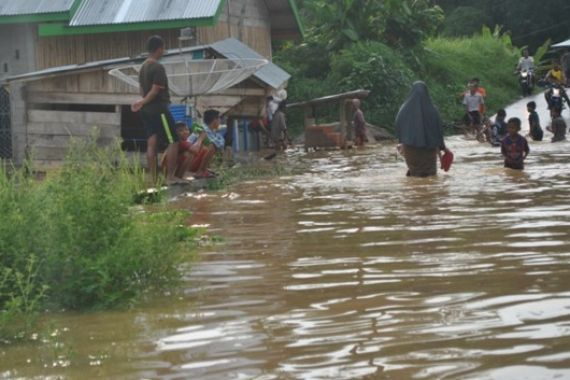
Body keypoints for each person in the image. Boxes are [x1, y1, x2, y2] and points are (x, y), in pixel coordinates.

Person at [131, 35, 183, 185]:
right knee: (173, 140)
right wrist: (143, 101)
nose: (163, 51)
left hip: (146, 111)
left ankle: (153, 180)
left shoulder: (143, 67)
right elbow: (154, 91)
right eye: (163, 48)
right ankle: (170, 177)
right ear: (160, 48)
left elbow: (142, 89)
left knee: (151, 143)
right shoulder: (158, 67)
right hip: (159, 109)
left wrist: (142, 102)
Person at [396, 81, 450, 177]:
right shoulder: (433, 110)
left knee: (415, 172)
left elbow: (399, 126)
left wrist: (403, 141)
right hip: (429, 149)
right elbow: (438, 131)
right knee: (430, 174)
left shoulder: (403, 109)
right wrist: (443, 148)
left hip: (410, 148)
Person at [188, 109, 225, 178]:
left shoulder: (212, 132)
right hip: (189, 161)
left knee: (213, 145)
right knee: (212, 145)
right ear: (215, 120)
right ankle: (200, 171)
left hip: (193, 159)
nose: (220, 122)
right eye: (219, 119)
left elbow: (221, 146)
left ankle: (204, 170)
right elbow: (219, 145)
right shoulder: (201, 129)